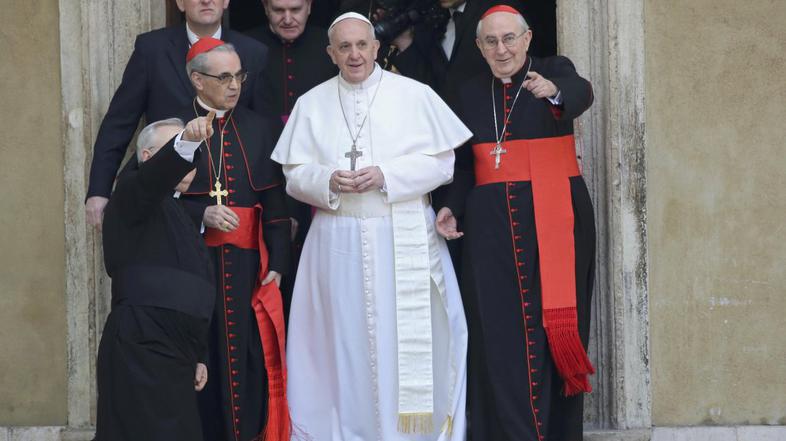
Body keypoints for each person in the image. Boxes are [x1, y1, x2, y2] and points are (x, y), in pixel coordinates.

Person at [271, 13, 472, 441]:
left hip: (401, 234)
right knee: (338, 341)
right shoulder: (312, 103)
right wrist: (327, 180)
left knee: (403, 341)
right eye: (344, 47)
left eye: (362, 45)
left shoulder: (414, 95)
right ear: (331, 53)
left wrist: (387, 175)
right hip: (335, 241)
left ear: (377, 48)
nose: (355, 55)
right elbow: (293, 175)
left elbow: (443, 164)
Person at [435, 5, 595, 441]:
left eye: (509, 39)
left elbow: (581, 92)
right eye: (491, 41)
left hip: (556, 218)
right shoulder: (468, 91)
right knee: (496, 331)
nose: (501, 49)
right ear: (479, 46)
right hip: (490, 230)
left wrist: (554, 91)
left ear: (526, 39)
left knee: (553, 328)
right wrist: (451, 207)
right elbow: (464, 165)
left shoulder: (553, 70)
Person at [176, 38, 292, 441]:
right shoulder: (174, 127)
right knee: (202, 357)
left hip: (248, 268)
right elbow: (149, 199)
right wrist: (200, 214)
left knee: (250, 355)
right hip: (194, 267)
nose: (235, 85)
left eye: (239, 76)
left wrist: (279, 262)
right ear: (197, 80)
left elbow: (275, 202)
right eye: (224, 77)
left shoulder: (260, 127)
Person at [85, 0, 270, 229]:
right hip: (166, 195)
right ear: (180, 3)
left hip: (229, 203)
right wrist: (99, 190)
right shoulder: (152, 49)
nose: (206, 0)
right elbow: (119, 122)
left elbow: (262, 130)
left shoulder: (253, 51)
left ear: (226, 2)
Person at [95, 116, 216, 441]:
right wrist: (186, 142)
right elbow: (152, 179)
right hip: (141, 343)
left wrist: (199, 354)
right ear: (148, 158)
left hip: (178, 351)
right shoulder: (130, 194)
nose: (190, 164)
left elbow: (194, 285)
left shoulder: (177, 211)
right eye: (178, 152)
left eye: (194, 156)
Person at [246, 0, 338, 318]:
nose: (287, 18)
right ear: (265, 8)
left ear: (310, 6)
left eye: (295, 9)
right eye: (278, 10)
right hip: (262, 166)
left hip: (320, 167)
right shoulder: (247, 46)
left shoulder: (331, 45)